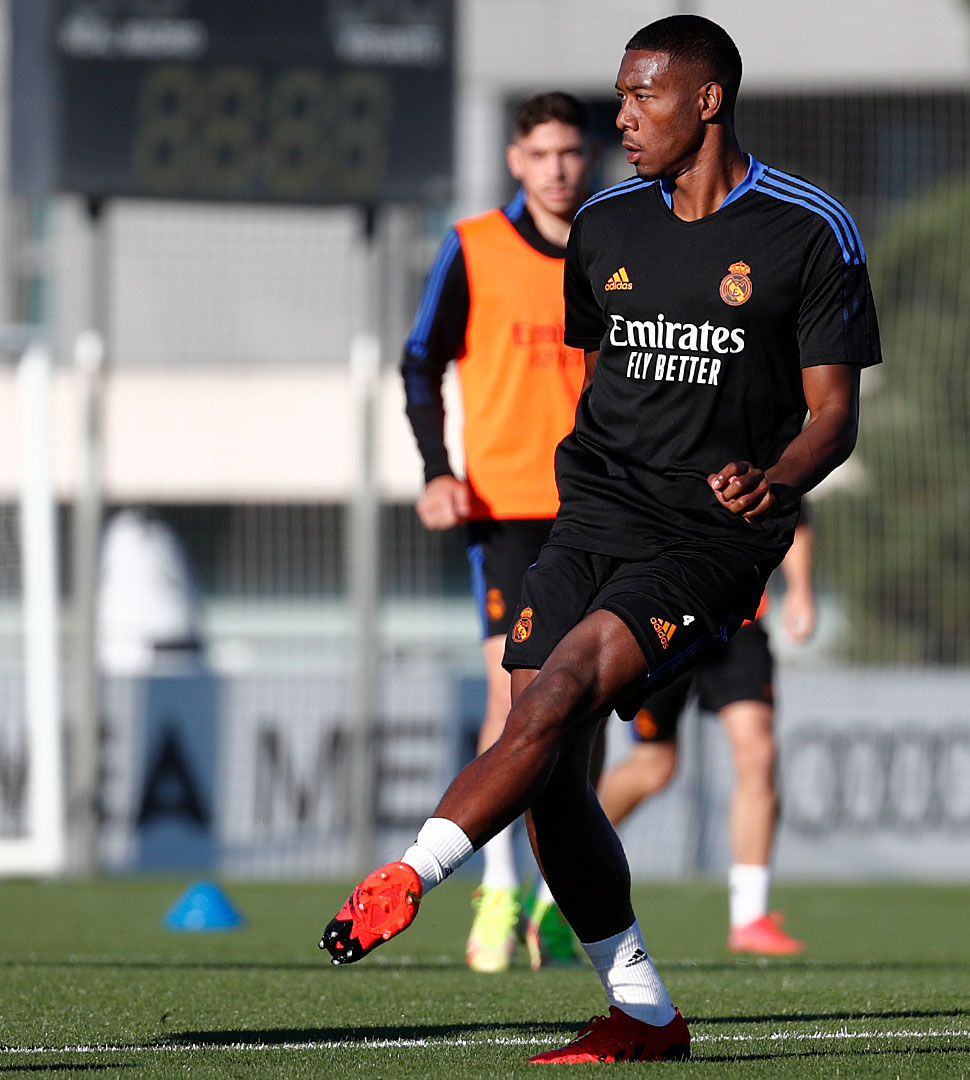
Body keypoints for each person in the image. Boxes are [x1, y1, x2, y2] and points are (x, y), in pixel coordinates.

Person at [321, 15, 880, 1065]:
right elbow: (610, 390)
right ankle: (644, 1013)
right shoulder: (610, 226)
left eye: (643, 96)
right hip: (592, 517)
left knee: (560, 687)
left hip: (714, 536)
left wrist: (776, 480)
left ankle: (412, 872)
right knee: (552, 771)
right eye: (617, 95)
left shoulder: (811, 230)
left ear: (707, 100)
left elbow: (835, 416)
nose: (619, 118)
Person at [400, 92, 591, 973]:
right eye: (540, 152)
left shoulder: (611, 245)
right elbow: (419, 360)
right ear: (516, 159)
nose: (557, 167)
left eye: (569, 151)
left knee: (583, 708)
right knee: (512, 699)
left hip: (598, 507)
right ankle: (498, 884)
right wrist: (438, 470)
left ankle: (561, 895)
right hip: (508, 509)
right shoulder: (475, 247)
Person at [600, 516, 816, 956]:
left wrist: (800, 589)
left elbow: (795, 508)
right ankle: (556, 885)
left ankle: (749, 917)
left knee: (759, 754)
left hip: (740, 621)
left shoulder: (765, 446)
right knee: (654, 767)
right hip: (665, 614)